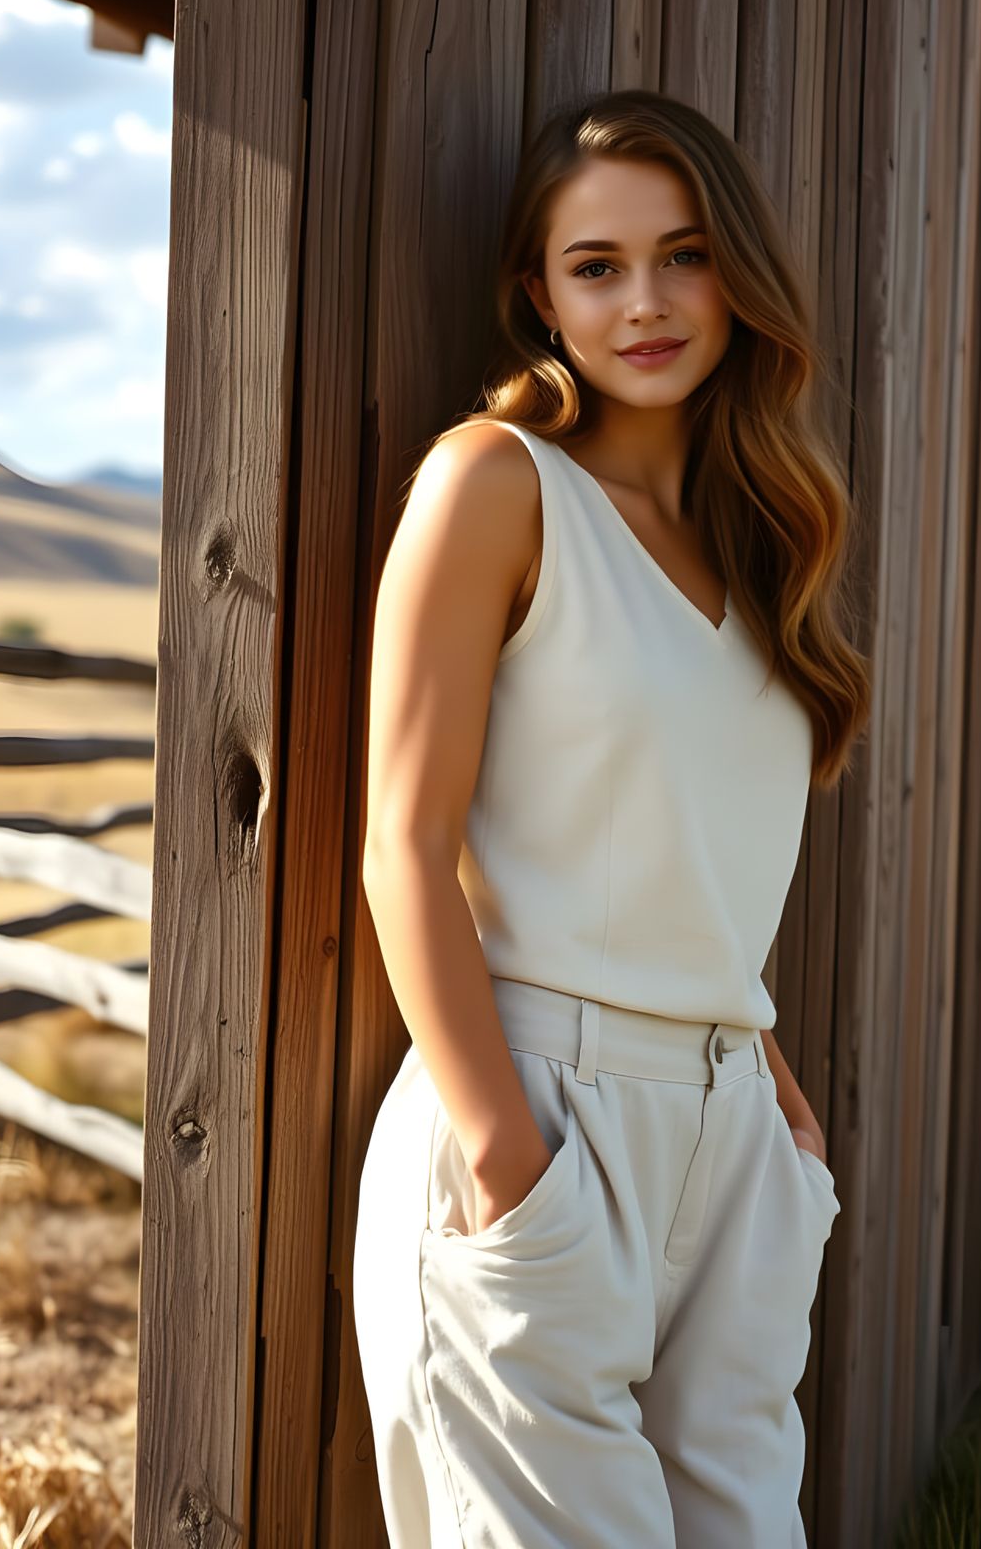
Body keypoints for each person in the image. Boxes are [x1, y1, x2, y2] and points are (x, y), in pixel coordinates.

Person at [352, 87, 872, 1549]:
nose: (646, 301)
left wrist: (767, 1095)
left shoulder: (761, 545)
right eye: (598, 265)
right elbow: (405, 843)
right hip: (543, 1121)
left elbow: (685, 846)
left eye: (686, 254)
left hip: (733, 1153)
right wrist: (508, 1158)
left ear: (739, 277)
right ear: (540, 293)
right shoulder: (496, 486)